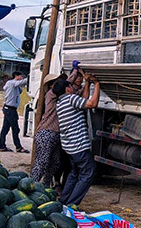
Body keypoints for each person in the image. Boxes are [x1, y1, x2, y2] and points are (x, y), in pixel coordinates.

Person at [54, 73, 100, 205]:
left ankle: (63, 201)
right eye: (71, 87)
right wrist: (97, 84)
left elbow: (83, 101)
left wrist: (88, 83)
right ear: (68, 89)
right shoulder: (70, 98)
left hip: (70, 147)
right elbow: (92, 103)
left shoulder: (61, 102)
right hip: (79, 146)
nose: (74, 88)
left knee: (74, 174)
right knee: (87, 174)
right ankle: (72, 204)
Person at [30, 73, 65, 186]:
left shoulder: (60, 97)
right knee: (42, 162)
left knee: (54, 163)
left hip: (55, 134)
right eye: (57, 82)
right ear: (51, 85)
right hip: (46, 133)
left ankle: (45, 185)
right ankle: (31, 184)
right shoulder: (50, 95)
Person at [0, 71, 29, 153]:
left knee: (5, 128)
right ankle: (18, 147)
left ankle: (2, 146)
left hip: (10, 109)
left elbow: (20, 90)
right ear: (16, 76)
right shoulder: (11, 82)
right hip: (10, 109)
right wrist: (31, 76)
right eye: (20, 76)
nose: (21, 77)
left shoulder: (15, 85)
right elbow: (23, 82)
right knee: (15, 129)